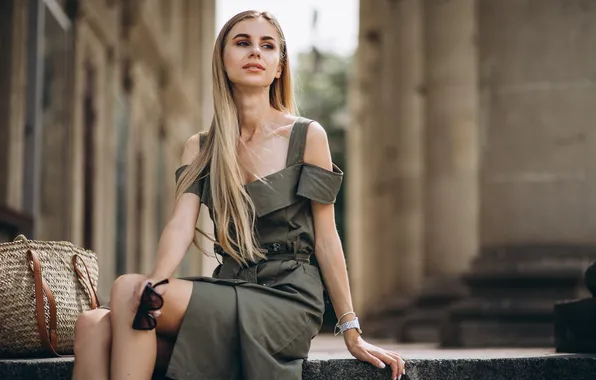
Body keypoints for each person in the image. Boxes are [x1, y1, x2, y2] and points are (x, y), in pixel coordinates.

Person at [71, 10, 406, 380]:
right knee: (92, 323)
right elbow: (181, 226)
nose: (255, 53)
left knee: (125, 289)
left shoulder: (308, 137)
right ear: (223, 58)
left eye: (267, 46)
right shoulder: (200, 147)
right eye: (242, 43)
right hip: (230, 286)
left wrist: (351, 330)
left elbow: (327, 238)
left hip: (289, 299)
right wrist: (154, 287)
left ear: (279, 66)